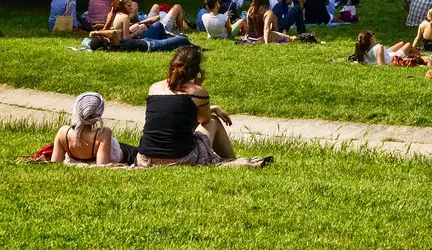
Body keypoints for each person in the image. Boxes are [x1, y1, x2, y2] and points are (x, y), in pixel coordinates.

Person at [136, 46, 268, 167]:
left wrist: (212, 107)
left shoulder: (154, 88)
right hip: (180, 158)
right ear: (196, 71)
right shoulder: (198, 92)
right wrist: (200, 87)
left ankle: (232, 160)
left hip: (145, 158)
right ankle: (232, 160)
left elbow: (175, 114)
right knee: (214, 120)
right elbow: (203, 119)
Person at [50, 91, 135, 166]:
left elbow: (55, 163)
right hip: (125, 154)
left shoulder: (63, 132)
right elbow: (102, 166)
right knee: (138, 152)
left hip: (114, 147)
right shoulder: (103, 134)